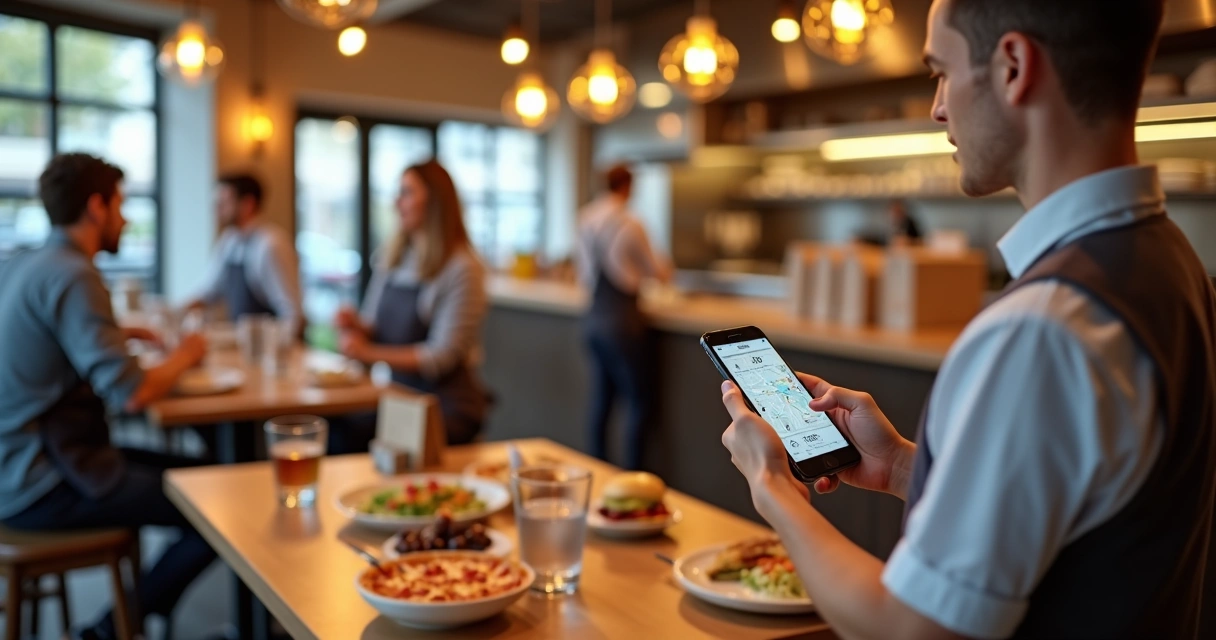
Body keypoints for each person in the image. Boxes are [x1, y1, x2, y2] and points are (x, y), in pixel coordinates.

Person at [719, 1, 1216, 639]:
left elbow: (909, 630)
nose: (937, 107)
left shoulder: (1040, 329)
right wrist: (903, 466)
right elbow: (1090, 511)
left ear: (1013, 66)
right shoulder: (1170, 258)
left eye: (942, 71)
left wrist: (771, 485)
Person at [0, 153, 217, 640]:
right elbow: (134, 395)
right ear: (96, 207)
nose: (126, 218)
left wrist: (120, 330)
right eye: (121, 205)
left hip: (18, 463)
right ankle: (107, 630)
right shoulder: (75, 274)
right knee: (218, 505)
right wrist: (186, 353)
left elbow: (46, 341)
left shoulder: (25, 263)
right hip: (42, 478)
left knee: (208, 479)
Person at [332, 159, 490, 448]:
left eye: (407, 193)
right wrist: (355, 326)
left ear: (434, 201)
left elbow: (439, 357)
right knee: (337, 428)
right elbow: (373, 325)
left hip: (445, 407)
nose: (397, 202)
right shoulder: (392, 259)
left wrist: (367, 352)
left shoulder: (462, 268)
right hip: (399, 400)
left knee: (347, 438)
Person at [576, 164, 673, 470]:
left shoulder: (585, 217)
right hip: (623, 322)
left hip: (592, 319)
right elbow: (657, 273)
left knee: (602, 402)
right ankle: (634, 475)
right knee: (638, 402)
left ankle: (600, 471)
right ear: (627, 186)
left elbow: (583, 272)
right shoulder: (630, 222)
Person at [187, 173, 303, 334]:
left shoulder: (270, 244)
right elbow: (209, 292)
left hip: (267, 348)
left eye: (224, 203)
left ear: (248, 204)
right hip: (243, 346)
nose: (217, 209)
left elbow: (291, 313)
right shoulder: (229, 241)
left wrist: (274, 351)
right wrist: (176, 312)